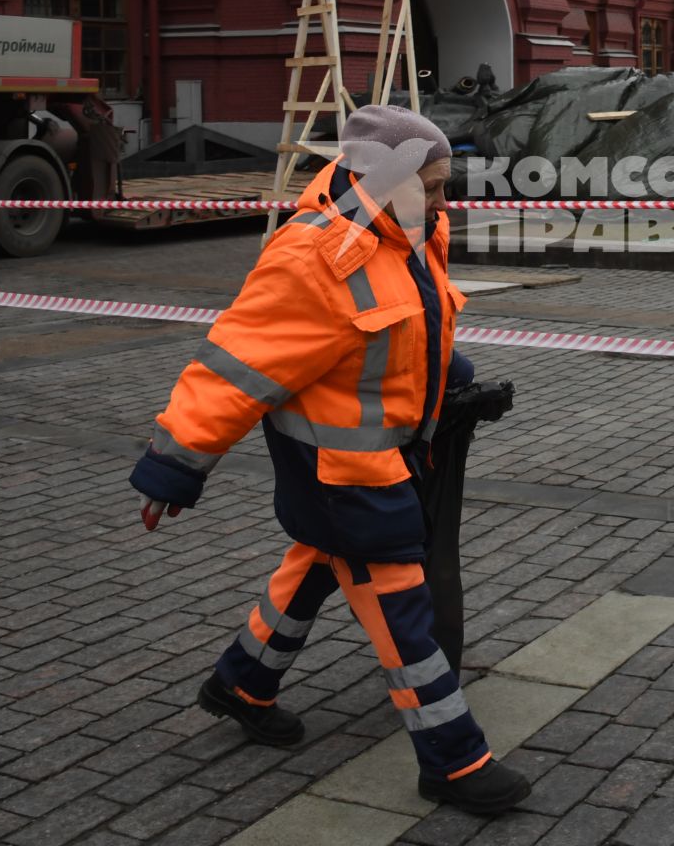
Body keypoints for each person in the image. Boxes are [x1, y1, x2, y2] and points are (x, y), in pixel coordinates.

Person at [128, 105, 531, 816]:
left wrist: (451, 374)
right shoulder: (311, 255)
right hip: (341, 472)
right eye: (431, 186)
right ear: (381, 177)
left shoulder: (412, 229)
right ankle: (454, 760)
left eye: (444, 186)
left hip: (373, 461)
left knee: (315, 563)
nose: (445, 202)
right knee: (401, 611)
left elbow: (412, 324)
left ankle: (241, 684)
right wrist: (174, 466)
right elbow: (235, 368)